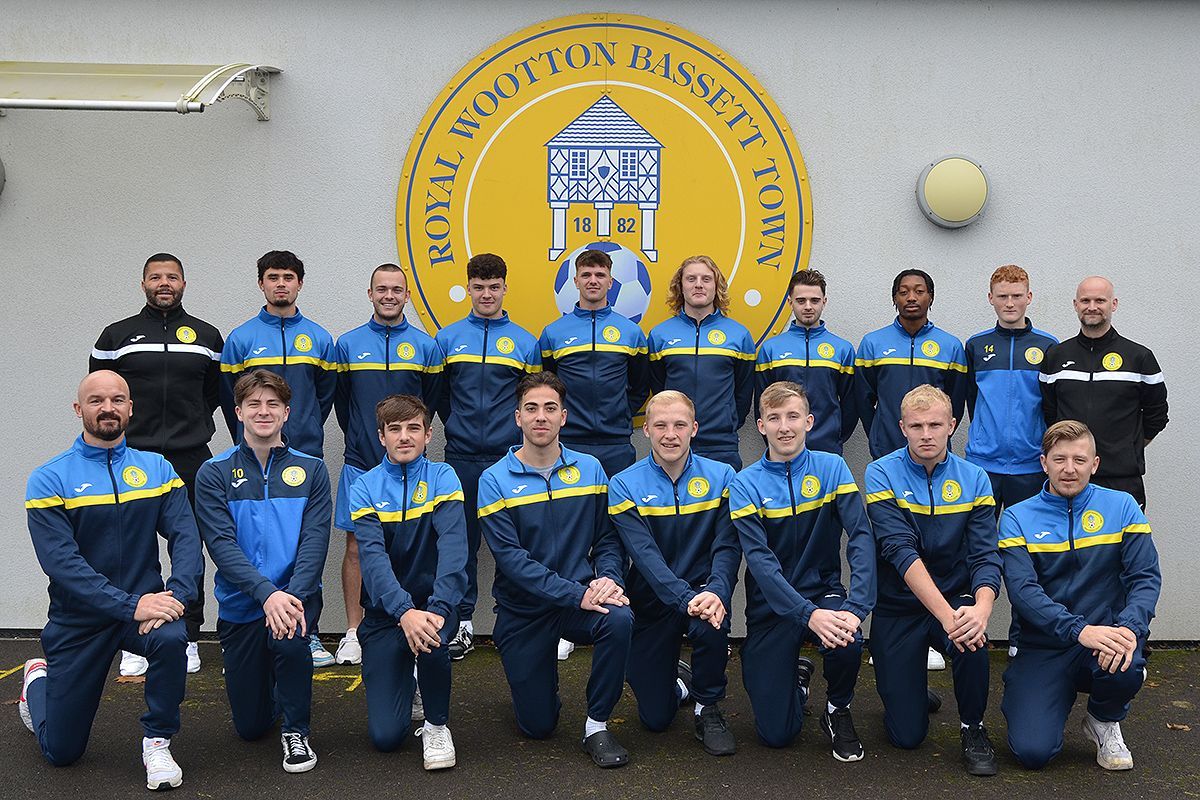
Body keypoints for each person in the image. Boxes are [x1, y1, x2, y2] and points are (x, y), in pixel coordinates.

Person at [19, 370, 202, 790]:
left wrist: (177, 595)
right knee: (62, 753)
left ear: (130, 408)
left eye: (117, 399)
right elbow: (62, 564)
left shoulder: (157, 469)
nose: (108, 408)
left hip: (143, 613)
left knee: (172, 637)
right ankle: (37, 682)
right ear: (78, 409)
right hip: (79, 620)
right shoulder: (49, 478)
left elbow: (186, 537)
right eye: (96, 400)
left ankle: (157, 742)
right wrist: (130, 604)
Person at [477, 372, 633, 768]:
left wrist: (608, 579)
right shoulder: (493, 480)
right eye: (531, 409)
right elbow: (512, 561)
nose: (541, 417)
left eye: (550, 408)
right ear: (518, 417)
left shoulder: (591, 469)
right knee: (538, 726)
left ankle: (596, 726)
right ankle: (536, 686)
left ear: (563, 416)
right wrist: (578, 593)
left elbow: (608, 539)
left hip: (579, 602)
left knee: (619, 618)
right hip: (524, 611)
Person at [90, 252, 223, 677]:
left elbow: (213, 394)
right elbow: (101, 393)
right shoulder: (115, 336)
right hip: (133, 455)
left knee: (189, 546)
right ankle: (133, 635)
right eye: (155, 277)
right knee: (130, 544)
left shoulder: (206, 336)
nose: (164, 283)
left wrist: (191, 425)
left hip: (190, 456)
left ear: (184, 283)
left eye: (172, 277)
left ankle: (187, 633)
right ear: (143, 283)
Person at [999, 420, 1160, 771]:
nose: (1069, 469)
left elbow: (1145, 578)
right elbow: (1023, 591)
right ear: (1044, 463)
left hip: (1105, 637)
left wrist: (1129, 629)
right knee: (1032, 753)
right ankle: (1040, 693)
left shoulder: (1123, 507)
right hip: (1043, 645)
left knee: (1127, 663)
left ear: (1095, 464)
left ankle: (1103, 718)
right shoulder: (1016, 517)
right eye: (1059, 459)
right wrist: (1078, 630)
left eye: (1079, 460)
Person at [195, 370, 332, 774]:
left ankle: (296, 730)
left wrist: (290, 596)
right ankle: (272, 686)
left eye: (273, 404)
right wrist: (265, 593)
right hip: (242, 604)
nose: (263, 411)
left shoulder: (312, 470)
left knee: (289, 642)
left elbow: (314, 542)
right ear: (238, 412)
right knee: (251, 728)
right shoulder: (214, 472)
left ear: (287, 412)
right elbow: (221, 546)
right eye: (253, 404)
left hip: (294, 599)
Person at [730, 381, 875, 762]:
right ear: (761, 426)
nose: (784, 427)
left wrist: (856, 606)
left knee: (847, 636)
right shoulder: (745, 484)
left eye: (793, 416)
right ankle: (796, 678)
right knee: (777, 735)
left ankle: (837, 709)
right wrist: (807, 615)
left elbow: (860, 535)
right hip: (771, 607)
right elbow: (760, 563)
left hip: (822, 591)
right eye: (774, 418)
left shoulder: (832, 468)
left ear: (809, 422)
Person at [864, 385, 1000, 776]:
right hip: (898, 605)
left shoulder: (975, 478)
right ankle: (911, 690)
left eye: (935, 425)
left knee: (972, 637)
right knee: (906, 736)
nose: (926, 434)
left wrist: (981, 609)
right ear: (902, 427)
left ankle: (973, 728)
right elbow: (899, 550)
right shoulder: (880, 472)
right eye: (917, 426)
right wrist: (946, 616)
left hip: (955, 598)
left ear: (952, 425)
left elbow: (985, 555)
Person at [219, 250, 337, 667]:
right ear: (261, 284)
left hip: (303, 456)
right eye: (273, 277)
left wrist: (304, 426)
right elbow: (229, 398)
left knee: (305, 545)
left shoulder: (320, 339)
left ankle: (309, 631)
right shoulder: (241, 339)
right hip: (251, 460)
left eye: (288, 277)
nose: (281, 284)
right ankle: (249, 628)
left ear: (300, 283)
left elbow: (325, 396)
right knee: (252, 542)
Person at [608, 390, 740, 756]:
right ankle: (682, 683)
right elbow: (645, 557)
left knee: (713, 621)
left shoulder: (723, 476)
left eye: (680, 425)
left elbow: (727, 547)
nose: (670, 434)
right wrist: (685, 599)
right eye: (661, 425)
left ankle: (707, 707)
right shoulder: (624, 484)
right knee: (656, 719)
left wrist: (716, 591)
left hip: (704, 593)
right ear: (646, 430)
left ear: (694, 429)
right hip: (653, 599)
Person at [332, 263, 444, 666]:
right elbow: (342, 403)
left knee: (413, 545)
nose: (389, 295)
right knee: (357, 546)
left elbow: (432, 401)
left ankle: (413, 622)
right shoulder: (347, 344)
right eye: (382, 289)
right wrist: (364, 437)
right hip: (362, 461)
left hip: (412, 467)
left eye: (397, 289)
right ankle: (353, 631)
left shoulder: (426, 346)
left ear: (407, 295)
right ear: (370, 294)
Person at [857, 268, 967, 672]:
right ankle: (888, 639)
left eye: (919, 291)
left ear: (930, 297)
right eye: (903, 291)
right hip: (889, 461)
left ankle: (932, 635)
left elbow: (955, 402)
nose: (911, 297)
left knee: (934, 545)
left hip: (933, 467)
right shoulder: (873, 343)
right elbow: (863, 399)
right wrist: (882, 436)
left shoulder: (950, 346)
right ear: (894, 298)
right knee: (889, 548)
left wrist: (930, 437)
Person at [349, 394, 466, 771]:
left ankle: (436, 726)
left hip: (432, 609)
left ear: (428, 435)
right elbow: (373, 561)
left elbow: (453, 551)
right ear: (381, 436)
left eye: (413, 428)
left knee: (432, 640)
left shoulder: (443, 477)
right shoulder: (364, 486)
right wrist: (403, 611)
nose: (404, 436)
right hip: (385, 616)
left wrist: (437, 609)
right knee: (386, 738)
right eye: (394, 429)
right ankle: (409, 681)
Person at [434, 253, 540, 661]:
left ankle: (515, 620)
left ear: (505, 288)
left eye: (494, 287)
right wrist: (457, 424)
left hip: (508, 458)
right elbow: (439, 396)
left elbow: (531, 400)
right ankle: (462, 622)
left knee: (513, 541)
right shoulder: (447, 339)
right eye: (478, 287)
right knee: (459, 542)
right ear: (468, 288)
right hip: (460, 455)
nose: (486, 294)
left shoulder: (525, 342)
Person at [964, 265, 1058, 658]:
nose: (1009, 302)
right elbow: (970, 402)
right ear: (990, 298)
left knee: (1028, 554)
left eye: (1017, 295)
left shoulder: (1048, 346)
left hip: (1030, 468)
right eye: (1002, 295)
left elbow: (1052, 406)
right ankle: (966, 631)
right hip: (983, 467)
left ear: (1029, 297)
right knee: (973, 549)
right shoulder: (976, 345)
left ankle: (1022, 636)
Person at [1039, 276, 1168, 509]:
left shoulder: (1140, 357)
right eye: (1085, 300)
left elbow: (1157, 415)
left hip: (1121, 479)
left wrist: (1129, 447)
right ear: (1075, 304)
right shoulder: (1056, 357)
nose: (1092, 307)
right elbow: (1050, 413)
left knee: (1124, 534)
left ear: (1113, 304)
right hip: (1069, 478)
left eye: (1100, 300)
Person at [539, 247, 650, 477]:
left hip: (616, 442)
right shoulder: (553, 333)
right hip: (567, 441)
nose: (593, 281)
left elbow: (640, 386)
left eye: (600, 275)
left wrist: (620, 413)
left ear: (610, 282)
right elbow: (546, 386)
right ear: (575, 281)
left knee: (617, 501)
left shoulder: (631, 332)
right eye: (586, 275)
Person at [647, 255, 755, 470]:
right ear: (681, 286)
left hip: (721, 444)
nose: (698, 284)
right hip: (674, 442)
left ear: (717, 286)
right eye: (691, 279)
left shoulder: (739, 335)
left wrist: (729, 421)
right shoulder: (660, 335)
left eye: (706, 279)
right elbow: (659, 388)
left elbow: (743, 391)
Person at [754, 269, 857, 455]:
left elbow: (851, 405)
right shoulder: (770, 349)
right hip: (782, 447)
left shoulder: (843, 349)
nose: (808, 306)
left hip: (828, 448)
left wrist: (835, 436)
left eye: (814, 300)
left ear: (824, 301)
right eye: (801, 301)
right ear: (790, 302)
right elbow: (761, 403)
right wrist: (775, 440)